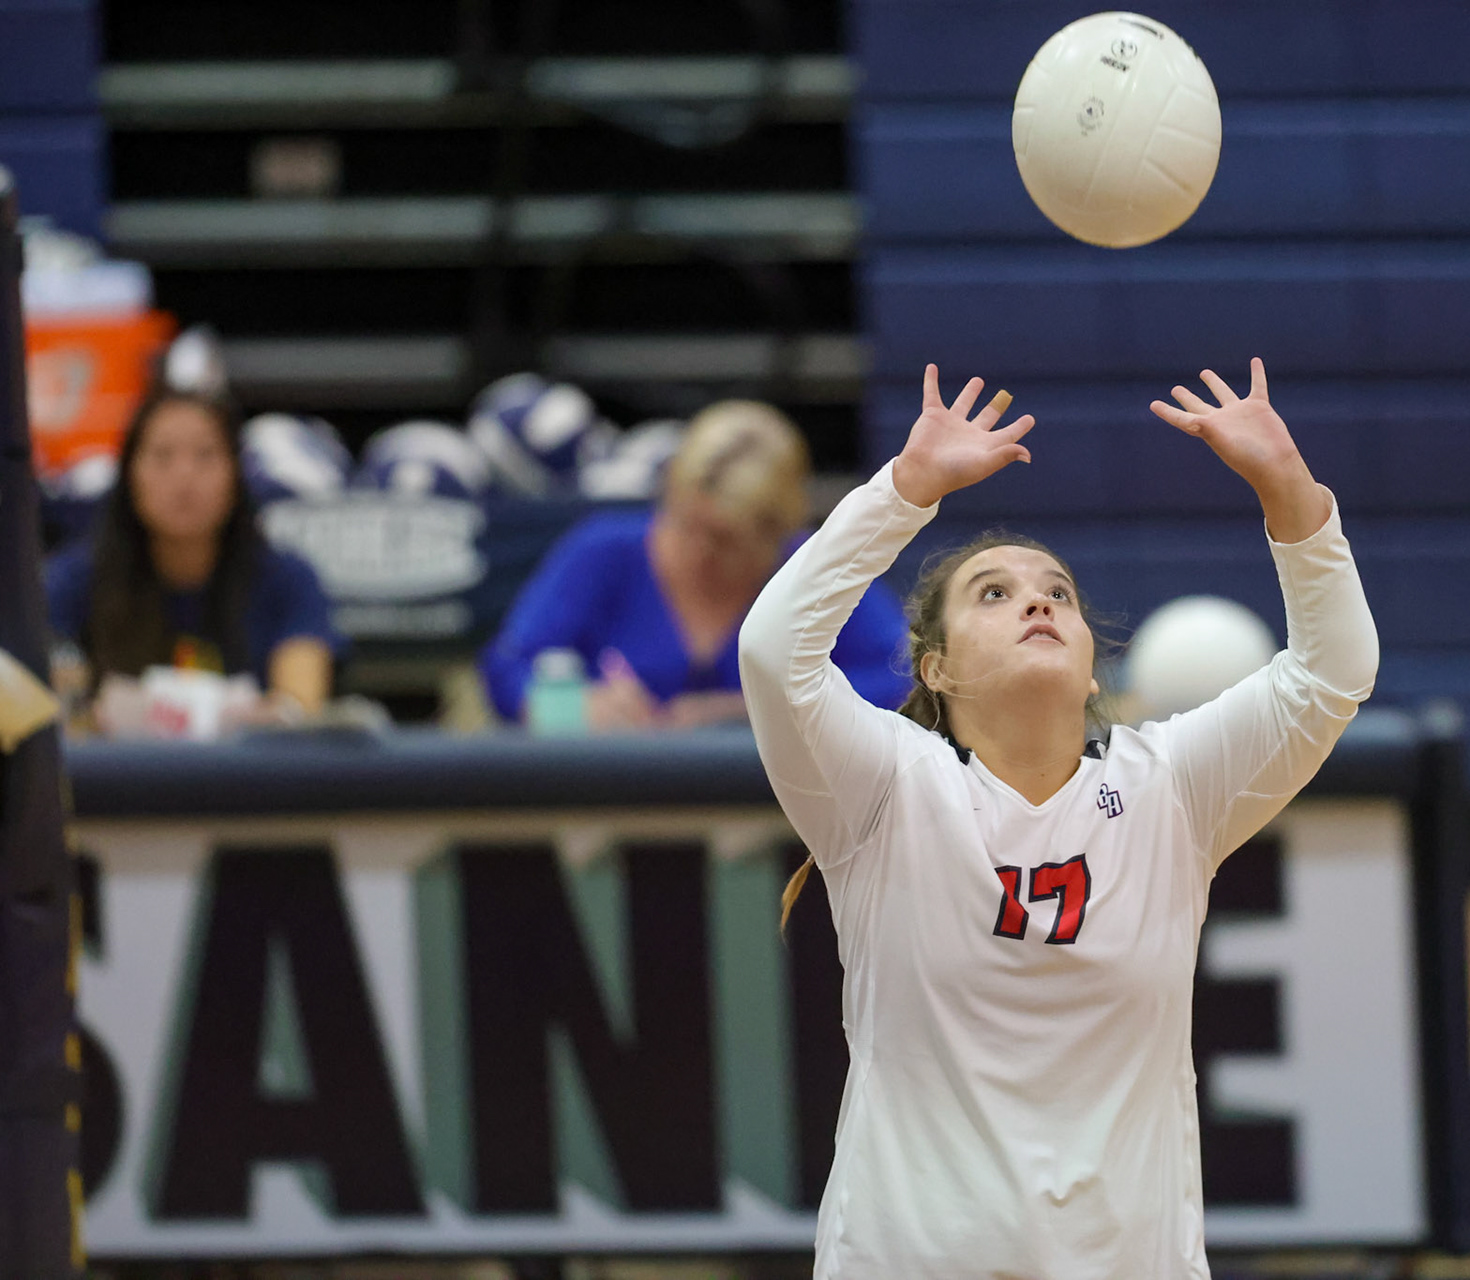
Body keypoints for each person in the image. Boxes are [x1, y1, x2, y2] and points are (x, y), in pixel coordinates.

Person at [738, 360, 1378, 1279]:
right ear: (937, 672)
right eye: (992, 594)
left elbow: (1331, 675)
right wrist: (904, 490)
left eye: (1058, 594)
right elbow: (774, 651)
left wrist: (1289, 491)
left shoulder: (1169, 790)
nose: (1036, 600)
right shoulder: (884, 788)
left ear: (1090, 669)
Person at [480, 399, 909, 729]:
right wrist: (576, 708)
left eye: (724, 541)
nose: (697, 551)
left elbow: (903, 680)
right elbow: (506, 668)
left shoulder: (812, 570)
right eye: (684, 524)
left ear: (776, 533)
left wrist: (750, 712)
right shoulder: (604, 550)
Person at [44, 388, 341, 729]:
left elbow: (300, 710)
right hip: (118, 779)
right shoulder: (74, 580)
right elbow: (52, 715)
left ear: (237, 475)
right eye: (162, 456)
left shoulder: (289, 579)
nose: (184, 475)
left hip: (248, 779)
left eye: (205, 455)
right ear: (129, 475)